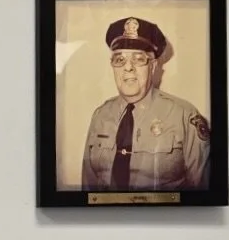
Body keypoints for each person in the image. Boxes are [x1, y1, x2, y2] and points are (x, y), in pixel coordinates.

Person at [78, 16, 209, 191]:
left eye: (138, 59)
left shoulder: (184, 115)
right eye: (119, 60)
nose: (128, 68)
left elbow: (203, 193)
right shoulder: (100, 116)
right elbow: (88, 189)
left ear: (153, 67)